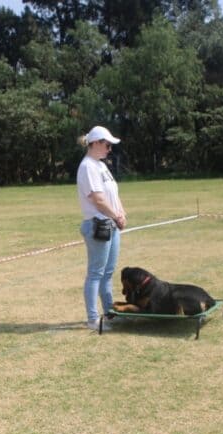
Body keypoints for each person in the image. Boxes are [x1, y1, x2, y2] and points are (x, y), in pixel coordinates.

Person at [76, 125, 127, 331]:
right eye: (107, 145)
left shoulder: (101, 165)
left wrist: (120, 213)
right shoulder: (88, 166)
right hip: (98, 225)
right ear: (95, 143)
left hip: (111, 223)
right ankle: (92, 319)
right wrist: (116, 216)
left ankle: (109, 313)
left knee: (108, 272)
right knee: (96, 273)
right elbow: (98, 199)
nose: (109, 149)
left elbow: (113, 194)